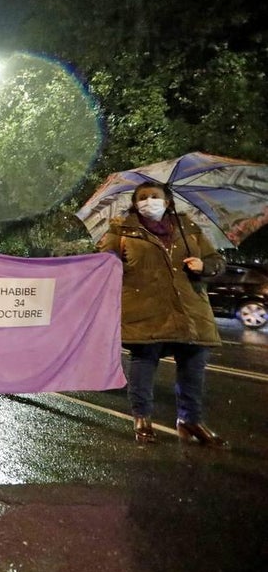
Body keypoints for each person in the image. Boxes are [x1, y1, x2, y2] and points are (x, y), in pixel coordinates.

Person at [98, 182, 227, 446]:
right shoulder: (121, 229)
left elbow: (217, 261)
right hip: (144, 313)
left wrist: (204, 266)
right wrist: (112, 259)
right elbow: (101, 264)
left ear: (167, 201)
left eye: (155, 197)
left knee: (193, 368)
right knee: (143, 365)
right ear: (135, 204)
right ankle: (142, 418)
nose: (149, 201)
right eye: (143, 198)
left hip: (191, 312)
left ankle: (190, 420)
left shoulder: (187, 227)